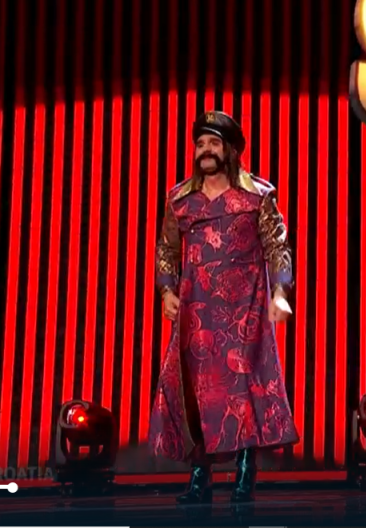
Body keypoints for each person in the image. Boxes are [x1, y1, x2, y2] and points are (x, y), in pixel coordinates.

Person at [149, 111, 299, 504]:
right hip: (197, 312)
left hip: (244, 310)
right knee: (197, 392)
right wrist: (166, 292)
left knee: (242, 390)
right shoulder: (181, 199)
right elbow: (166, 248)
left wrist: (280, 292)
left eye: (213, 143)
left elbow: (277, 245)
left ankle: (245, 475)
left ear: (230, 150)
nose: (205, 151)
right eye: (200, 144)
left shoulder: (257, 196)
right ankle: (200, 478)